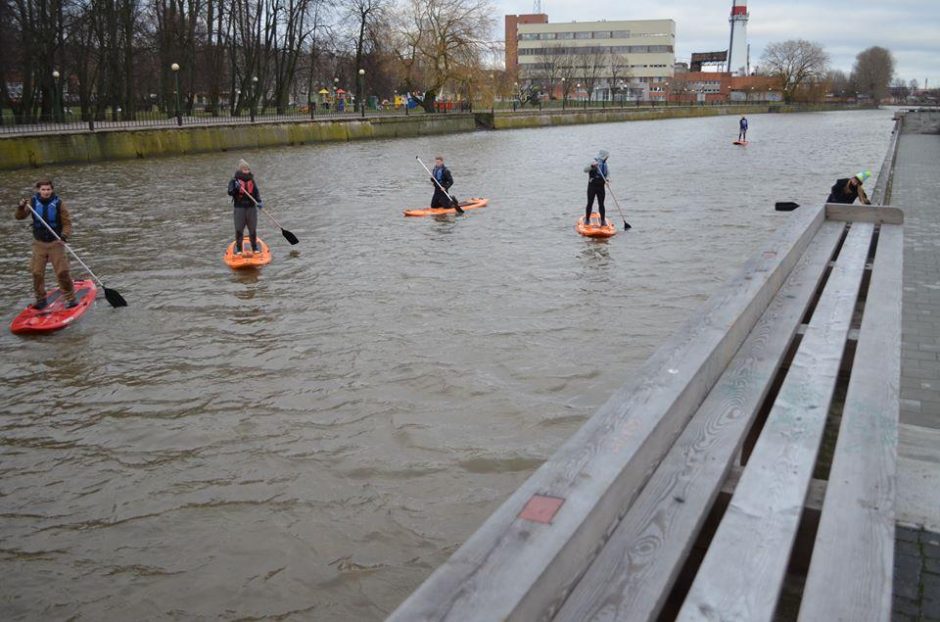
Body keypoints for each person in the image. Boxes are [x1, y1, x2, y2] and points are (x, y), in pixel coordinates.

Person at [15, 179, 77, 309]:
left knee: (62, 272)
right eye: (43, 189)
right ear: (39, 190)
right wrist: (21, 207)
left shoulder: (59, 203)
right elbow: (19, 217)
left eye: (48, 189)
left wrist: (64, 236)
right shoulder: (32, 202)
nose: (46, 192)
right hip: (39, 243)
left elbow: (67, 224)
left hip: (56, 242)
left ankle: (70, 298)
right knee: (37, 273)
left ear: (52, 190)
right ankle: (41, 300)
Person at [227, 159, 262, 254]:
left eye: (248, 169)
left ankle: (254, 247)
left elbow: (256, 192)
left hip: (251, 208)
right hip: (239, 208)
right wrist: (235, 188)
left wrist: (259, 202)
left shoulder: (252, 180)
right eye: (244, 169)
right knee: (239, 229)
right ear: (240, 170)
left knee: (252, 229)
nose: (246, 171)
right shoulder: (234, 181)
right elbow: (230, 192)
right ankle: (239, 249)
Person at [584, 150, 610, 226]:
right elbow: (585, 170)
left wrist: (607, 180)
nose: (607, 158)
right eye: (607, 156)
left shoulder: (605, 164)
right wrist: (592, 166)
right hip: (592, 186)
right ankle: (587, 219)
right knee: (590, 203)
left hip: (601, 186)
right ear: (603, 156)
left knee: (601, 204)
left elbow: (608, 174)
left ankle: (602, 221)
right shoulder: (593, 162)